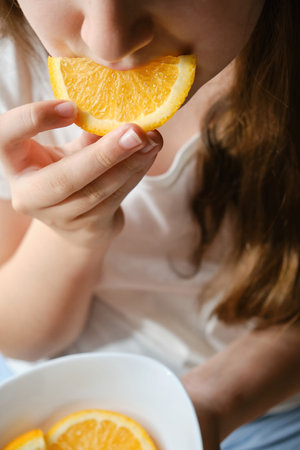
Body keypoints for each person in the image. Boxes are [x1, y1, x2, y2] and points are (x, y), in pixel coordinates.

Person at [0, 0, 299, 448]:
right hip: (56, 392)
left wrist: (213, 403)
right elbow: (19, 336)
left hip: (257, 405)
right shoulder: (12, 71)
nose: (108, 42)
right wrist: (73, 233)